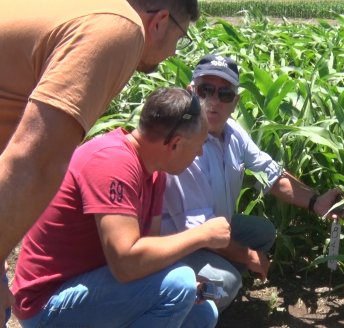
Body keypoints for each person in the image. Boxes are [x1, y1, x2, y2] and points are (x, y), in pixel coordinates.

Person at [0, 0, 199, 321]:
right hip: (46, 300)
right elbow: (36, 161)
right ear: (160, 21)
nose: (175, 52)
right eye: (180, 37)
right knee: (179, 285)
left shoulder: (79, 9)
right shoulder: (119, 28)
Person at [12, 88, 231, 327]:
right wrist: (203, 235)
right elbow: (126, 265)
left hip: (94, 288)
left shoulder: (155, 172)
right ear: (176, 143)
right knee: (179, 284)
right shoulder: (112, 161)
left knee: (202, 312)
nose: (200, 153)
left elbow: (148, 251)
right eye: (199, 144)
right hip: (47, 305)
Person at [161, 55, 344, 311]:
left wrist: (316, 202)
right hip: (178, 245)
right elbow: (202, 232)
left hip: (214, 230)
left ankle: (216, 278)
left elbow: (271, 174)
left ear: (235, 102)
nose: (214, 101)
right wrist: (249, 256)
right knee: (225, 284)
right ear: (190, 91)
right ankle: (187, 305)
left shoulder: (233, 132)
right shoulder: (184, 147)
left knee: (262, 232)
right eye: (206, 90)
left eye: (224, 94)